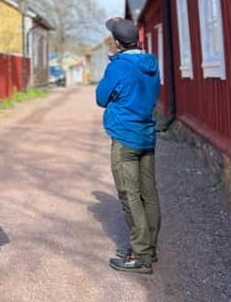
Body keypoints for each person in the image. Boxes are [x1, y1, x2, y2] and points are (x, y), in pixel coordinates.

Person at [96, 17, 161, 275]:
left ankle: (141, 256)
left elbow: (101, 98)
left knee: (129, 194)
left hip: (125, 137)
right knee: (149, 193)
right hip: (147, 134)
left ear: (117, 42)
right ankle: (148, 248)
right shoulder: (151, 63)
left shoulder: (119, 66)